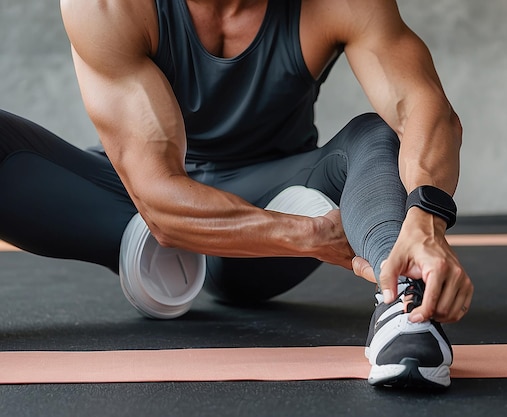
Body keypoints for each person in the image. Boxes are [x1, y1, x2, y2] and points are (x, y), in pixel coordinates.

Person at [0, 0, 473, 389]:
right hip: (134, 206)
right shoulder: (109, 6)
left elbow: (424, 107)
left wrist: (426, 217)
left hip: (273, 200)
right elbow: (160, 202)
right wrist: (309, 234)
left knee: (375, 136)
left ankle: (407, 303)